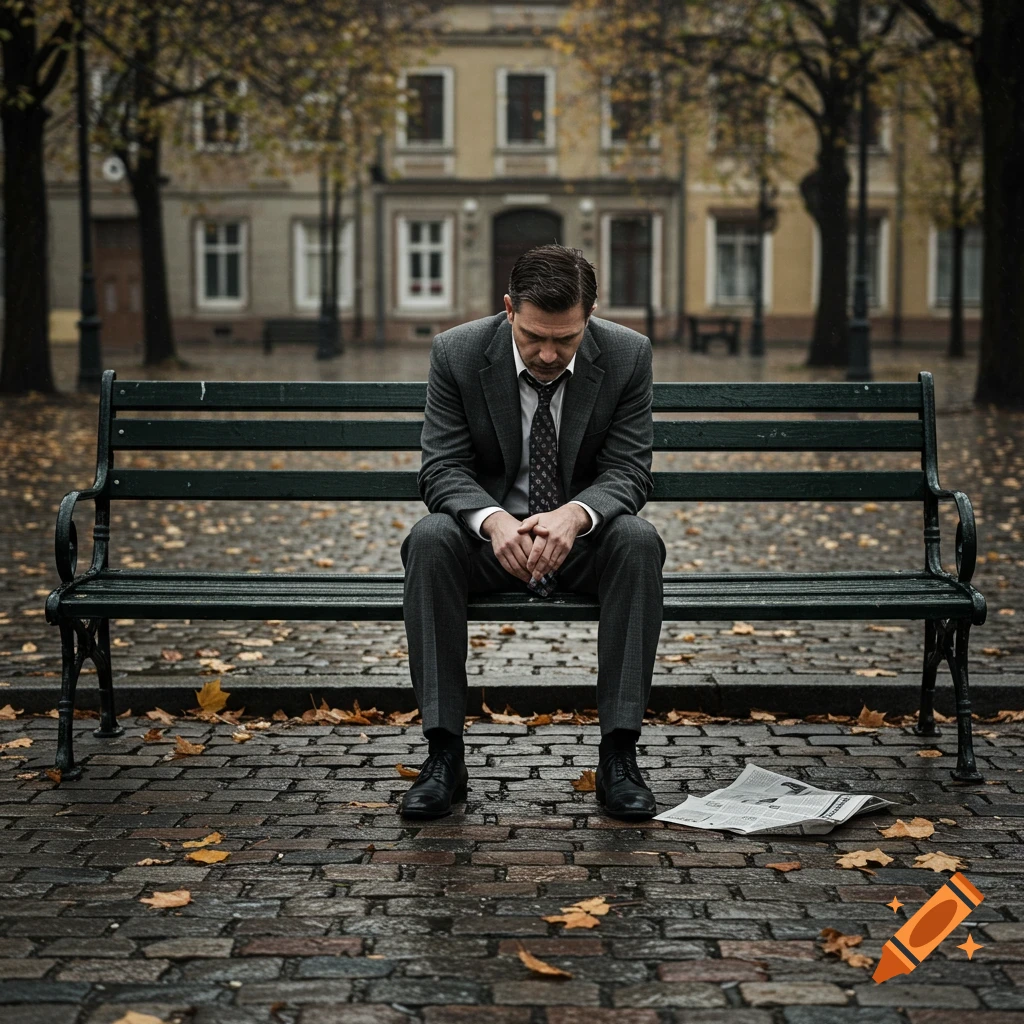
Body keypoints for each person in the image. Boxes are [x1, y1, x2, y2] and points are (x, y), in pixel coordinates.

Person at [398, 243, 667, 821]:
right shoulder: (458, 352)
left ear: (588, 319)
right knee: (429, 539)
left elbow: (629, 470)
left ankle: (620, 755)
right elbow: (440, 467)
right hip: (488, 546)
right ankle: (443, 755)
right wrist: (493, 521)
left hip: (583, 546)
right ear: (509, 309)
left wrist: (574, 514)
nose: (548, 353)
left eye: (566, 340)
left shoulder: (626, 356)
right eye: (533, 337)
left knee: (639, 542)